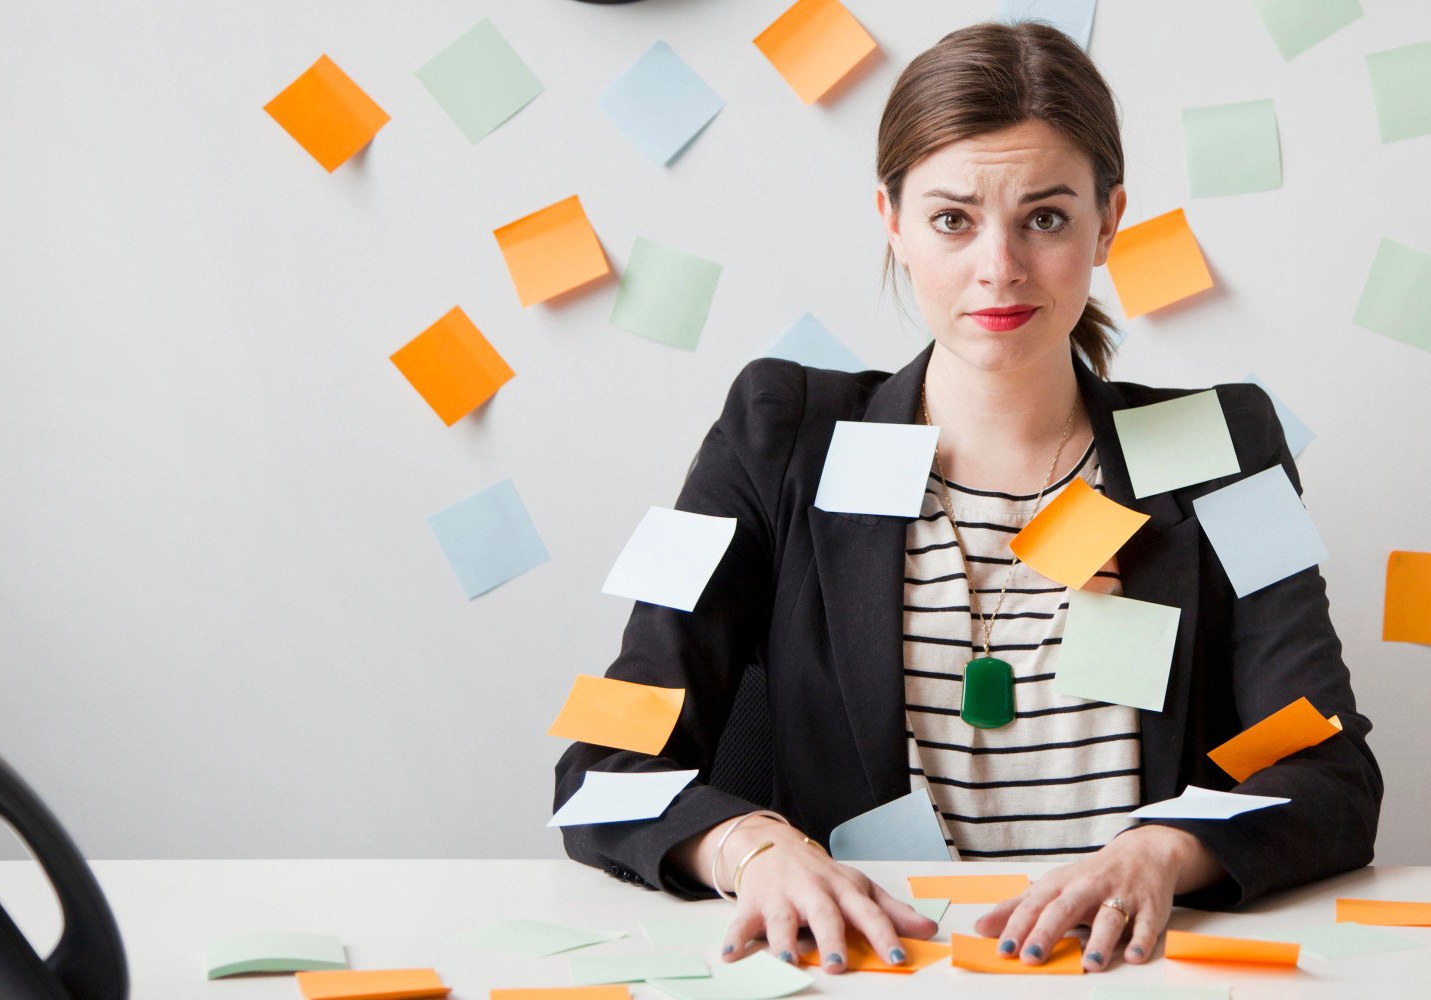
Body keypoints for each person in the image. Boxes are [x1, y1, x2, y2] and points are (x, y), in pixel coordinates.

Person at [555, 19, 1381, 975]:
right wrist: (757, 853)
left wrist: (1161, 851)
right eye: (953, 219)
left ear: (1109, 221)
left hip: (1133, 971)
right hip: (869, 971)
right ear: (891, 221)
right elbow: (605, 771)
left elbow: (1330, 773)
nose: (1000, 267)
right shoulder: (778, 430)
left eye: (1047, 217)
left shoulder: (1223, 447)